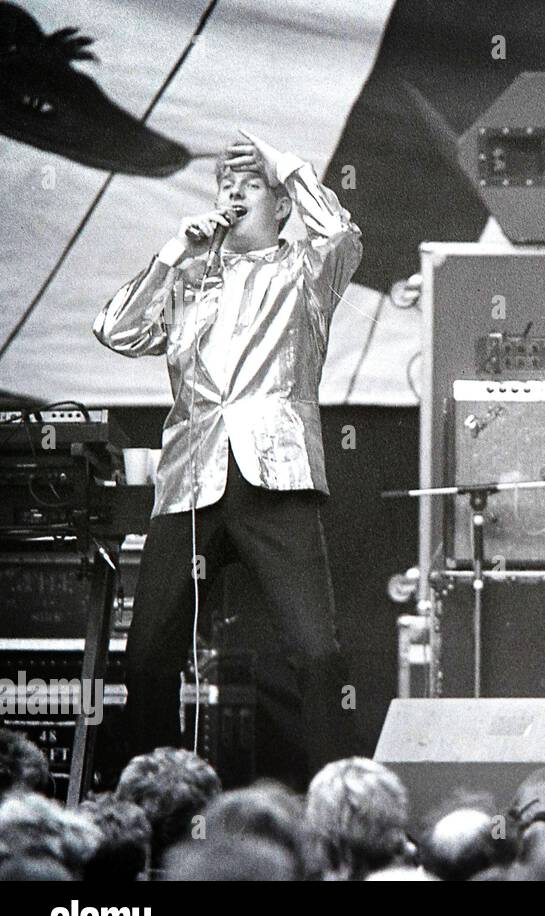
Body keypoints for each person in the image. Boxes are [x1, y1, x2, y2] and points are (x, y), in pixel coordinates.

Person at [93, 129, 362, 781]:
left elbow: (342, 233)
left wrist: (285, 163)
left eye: (251, 185)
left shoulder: (306, 270)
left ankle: (339, 803)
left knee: (316, 654)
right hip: (192, 481)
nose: (235, 193)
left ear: (281, 206)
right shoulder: (189, 281)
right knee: (149, 655)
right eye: (226, 183)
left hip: (276, 481)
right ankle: (152, 802)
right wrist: (171, 254)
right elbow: (116, 330)